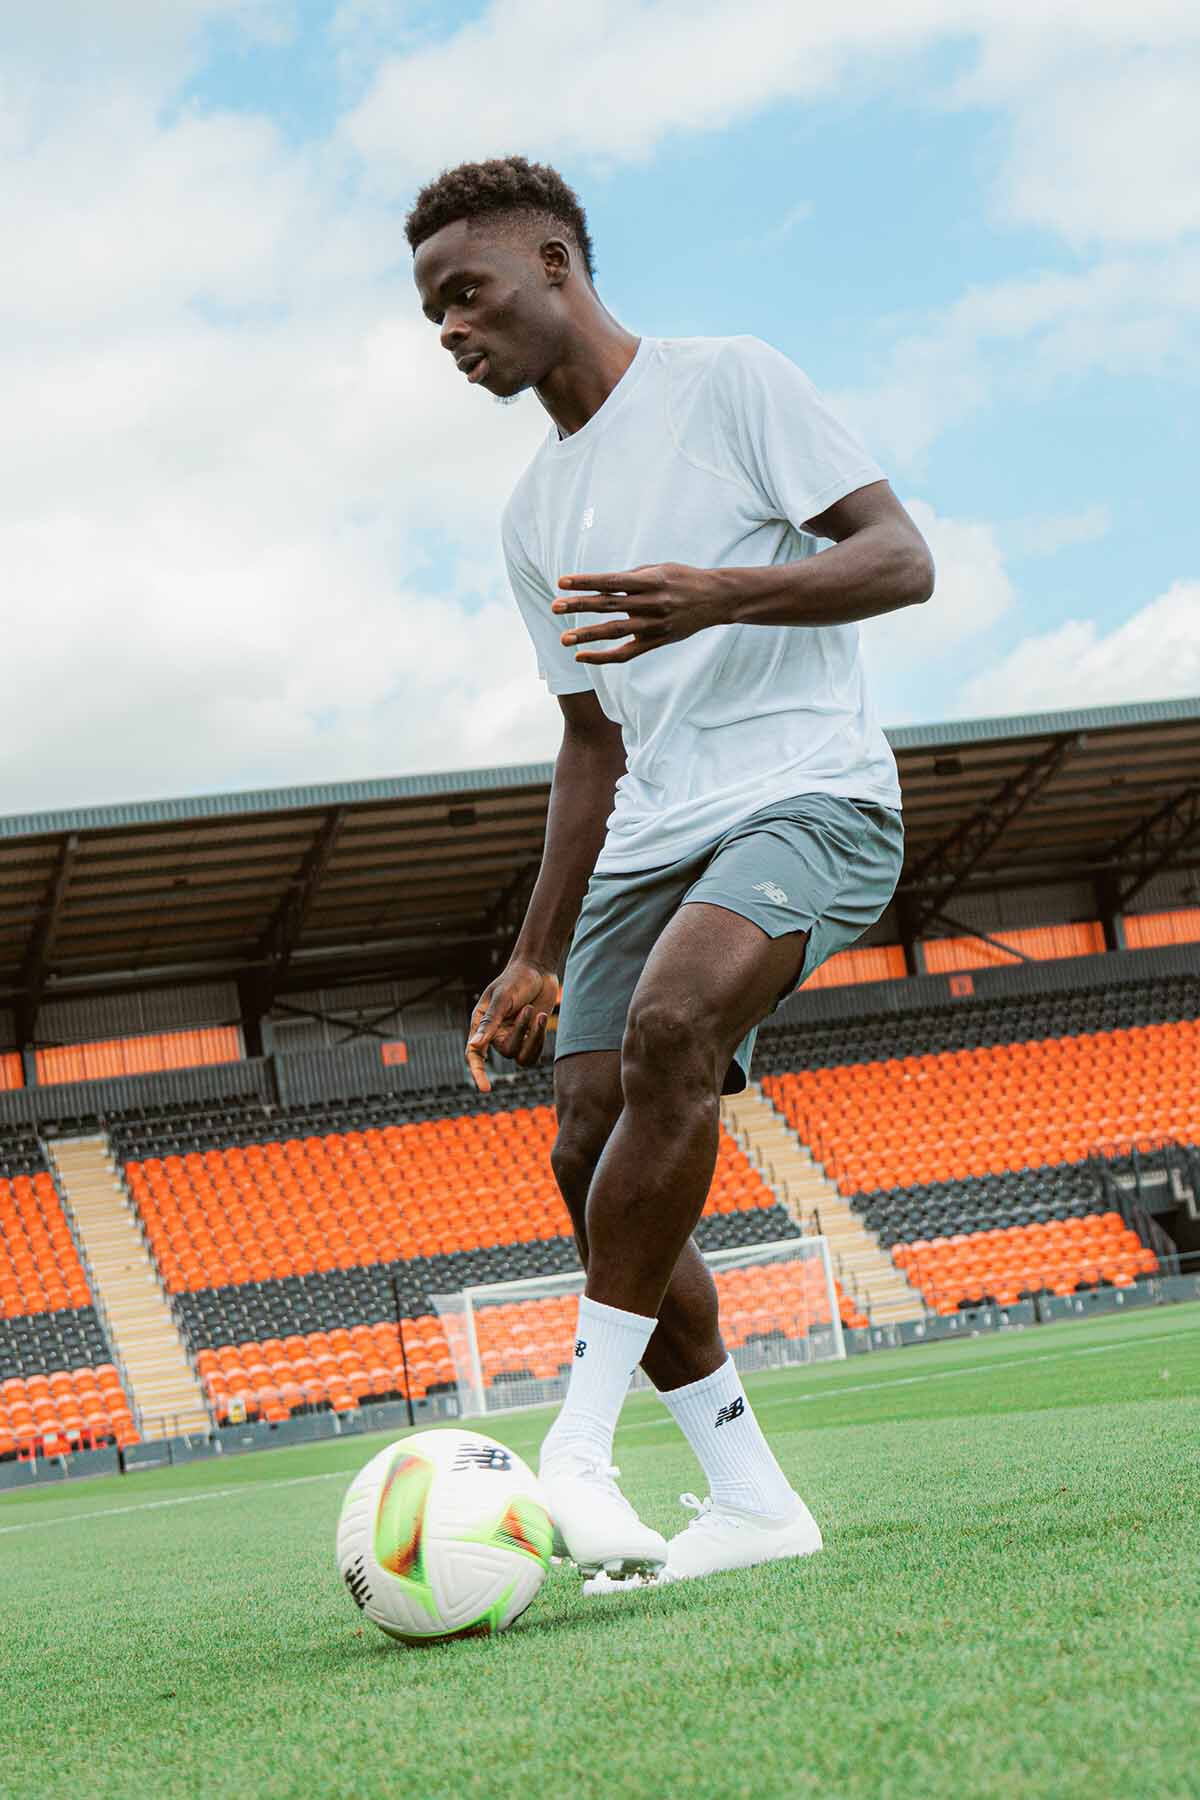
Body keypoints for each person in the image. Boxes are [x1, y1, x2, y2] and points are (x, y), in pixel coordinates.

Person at [407, 155, 932, 1585]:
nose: (452, 328)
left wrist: (723, 592)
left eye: (471, 291)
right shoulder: (532, 517)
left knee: (671, 1031)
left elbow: (901, 560)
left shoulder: (729, 384)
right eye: (432, 314)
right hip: (653, 827)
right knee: (586, 1145)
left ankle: (573, 1445)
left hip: (809, 790)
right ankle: (755, 1501)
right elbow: (588, 742)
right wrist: (532, 951)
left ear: (559, 263)